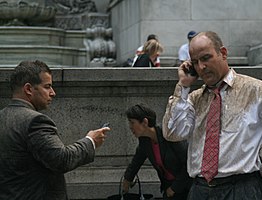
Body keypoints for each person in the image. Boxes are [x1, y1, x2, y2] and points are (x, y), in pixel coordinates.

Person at [162, 31, 262, 200]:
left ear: (223, 53)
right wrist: (182, 87)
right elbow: (173, 133)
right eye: (195, 62)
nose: (201, 67)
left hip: (242, 189)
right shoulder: (194, 99)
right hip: (200, 189)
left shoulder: (256, 90)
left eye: (206, 58)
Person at [0, 60, 111, 200]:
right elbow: (61, 159)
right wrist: (91, 141)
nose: (53, 93)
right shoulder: (35, 121)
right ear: (28, 89)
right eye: (47, 87)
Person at [122, 104, 192, 199]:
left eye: (132, 122)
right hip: (168, 187)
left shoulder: (169, 135)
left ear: (145, 122)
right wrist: (127, 179)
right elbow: (137, 160)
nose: (130, 127)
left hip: (186, 187)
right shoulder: (145, 141)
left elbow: (188, 163)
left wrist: (174, 188)